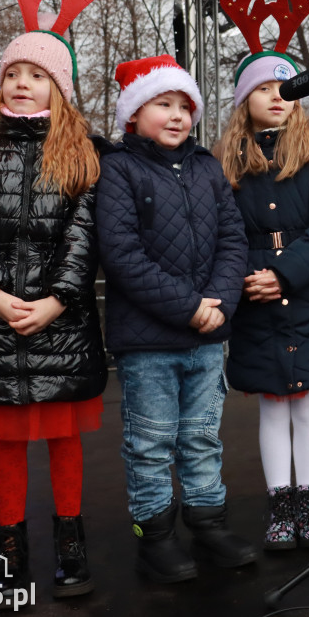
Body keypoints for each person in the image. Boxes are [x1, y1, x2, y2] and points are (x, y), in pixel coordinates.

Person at [0, 0, 111, 600]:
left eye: (36, 74)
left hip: (60, 322)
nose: (21, 83)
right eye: (13, 72)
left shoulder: (82, 154)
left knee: (64, 439)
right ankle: (9, 545)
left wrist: (56, 300)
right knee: (9, 442)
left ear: (58, 86)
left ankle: (71, 541)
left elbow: (83, 235)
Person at [96, 55, 255, 583]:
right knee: (150, 442)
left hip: (207, 336)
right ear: (134, 113)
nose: (177, 116)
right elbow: (121, 253)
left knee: (202, 438)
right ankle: (155, 537)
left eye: (185, 106)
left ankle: (209, 525)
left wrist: (218, 302)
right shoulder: (119, 168)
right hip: (149, 343)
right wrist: (188, 307)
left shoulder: (209, 167)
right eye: (163, 104)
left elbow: (233, 239)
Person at [214, 0, 309, 549]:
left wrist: (286, 273)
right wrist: (253, 276)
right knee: (273, 404)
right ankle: (280, 506)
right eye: (264, 90)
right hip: (257, 302)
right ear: (244, 101)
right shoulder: (229, 164)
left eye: (285, 90)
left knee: (308, 405)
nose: (277, 98)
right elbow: (223, 231)